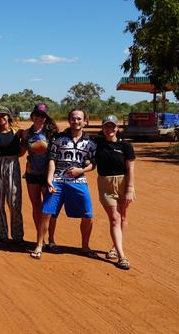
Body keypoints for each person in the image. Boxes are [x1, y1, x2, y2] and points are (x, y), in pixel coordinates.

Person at [31, 109, 97, 259]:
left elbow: (93, 163)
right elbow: (52, 159)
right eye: (73, 119)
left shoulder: (91, 142)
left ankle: (85, 246)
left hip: (78, 181)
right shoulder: (59, 139)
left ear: (85, 121)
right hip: (58, 181)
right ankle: (40, 245)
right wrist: (49, 178)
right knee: (47, 212)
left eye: (79, 119)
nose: (76, 121)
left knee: (88, 214)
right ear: (69, 120)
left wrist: (80, 170)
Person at [95, 115, 135, 270]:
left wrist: (130, 189)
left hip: (124, 182)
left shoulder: (126, 146)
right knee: (114, 218)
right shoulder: (97, 144)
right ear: (103, 128)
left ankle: (114, 247)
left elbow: (130, 168)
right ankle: (122, 256)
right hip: (105, 183)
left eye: (112, 126)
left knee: (123, 216)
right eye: (106, 126)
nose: (109, 129)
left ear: (117, 128)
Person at [21, 103, 60, 251]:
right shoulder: (26, 133)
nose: (39, 117)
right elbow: (21, 152)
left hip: (48, 175)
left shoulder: (52, 133)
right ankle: (40, 239)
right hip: (32, 174)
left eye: (42, 115)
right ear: (32, 116)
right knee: (36, 206)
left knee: (48, 208)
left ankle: (51, 239)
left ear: (46, 117)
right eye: (37, 114)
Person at [0, 106, 25, 244]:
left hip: (13, 166)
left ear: (8, 116)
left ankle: (17, 236)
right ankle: (2, 234)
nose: (1, 118)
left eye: (3, 115)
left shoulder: (18, 133)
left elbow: (23, 150)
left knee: (15, 202)